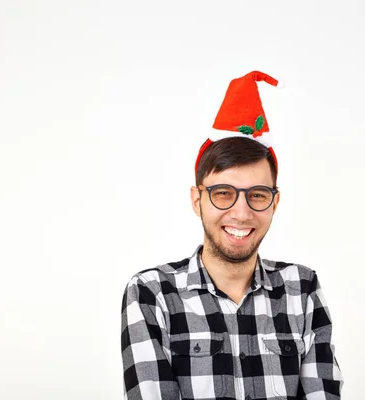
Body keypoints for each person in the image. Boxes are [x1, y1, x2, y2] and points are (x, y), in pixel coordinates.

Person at [121, 71, 343, 399]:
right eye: (223, 193)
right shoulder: (151, 293)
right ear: (198, 200)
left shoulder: (302, 287)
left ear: (274, 202)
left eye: (257, 194)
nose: (241, 213)